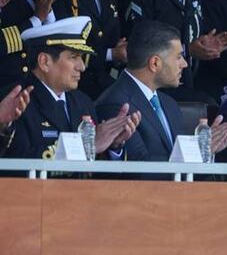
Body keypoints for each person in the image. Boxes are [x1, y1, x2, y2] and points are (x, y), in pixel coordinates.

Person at [96, 20, 227, 161]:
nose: (184, 63)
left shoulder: (169, 104)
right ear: (155, 63)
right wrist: (196, 153)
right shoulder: (116, 104)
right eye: (178, 57)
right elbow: (139, 170)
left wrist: (203, 153)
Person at [7, 17, 139, 159]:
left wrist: (113, 145)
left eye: (81, 58)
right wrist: (86, 146)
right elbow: (16, 162)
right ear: (44, 61)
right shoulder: (16, 103)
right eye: (73, 57)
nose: (82, 67)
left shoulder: (83, 102)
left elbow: (94, 171)